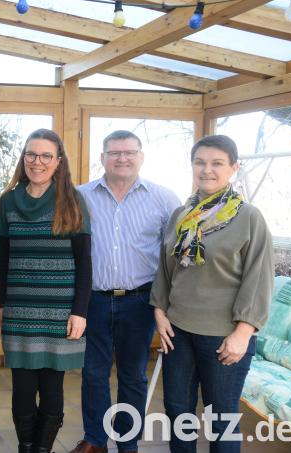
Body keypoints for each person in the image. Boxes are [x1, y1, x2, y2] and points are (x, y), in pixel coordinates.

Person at [151, 135, 273, 453]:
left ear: (233, 168)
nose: (207, 170)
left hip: (223, 338)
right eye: (200, 162)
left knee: (221, 422)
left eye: (217, 163)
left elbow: (259, 279)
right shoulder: (181, 215)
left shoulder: (249, 218)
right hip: (177, 333)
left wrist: (243, 334)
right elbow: (165, 268)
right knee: (178, 414)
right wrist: (159, 313)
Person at [71, 130, 181, 453]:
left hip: (140, 301)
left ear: (141, 156)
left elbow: (174, 255)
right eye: (114, 152)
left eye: (129, 152)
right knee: (93, 374)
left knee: (133, 376)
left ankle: (128, 442)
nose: (122, 158)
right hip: (94, 301)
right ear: (102, 158)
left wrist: (169, 305)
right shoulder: (81, 196)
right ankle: (95, 439)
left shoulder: (164, 199)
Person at [0, 128, 91, 453]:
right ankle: (26, 446)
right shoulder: (8, 201)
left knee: (52, 388)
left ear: (58, 161)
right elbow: (4, 256)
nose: (38, 161)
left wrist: (80, 310)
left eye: (46, 155)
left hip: (60, 312)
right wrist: (0, 304)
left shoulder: (73, 201)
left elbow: (85, 262)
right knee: (22, 390)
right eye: (31, 154)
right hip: (20, 312)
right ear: (24, 159)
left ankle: (43, 449)